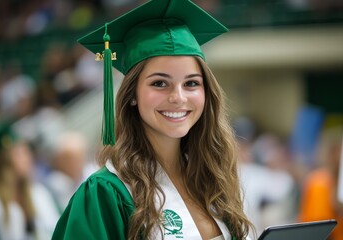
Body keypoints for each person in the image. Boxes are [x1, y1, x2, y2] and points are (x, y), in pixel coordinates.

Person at [52, 0, 254, 239]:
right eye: (159, 83)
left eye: (191, 83)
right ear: (133, 95)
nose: (178, 97)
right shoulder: (108, 193)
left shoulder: (214, 177)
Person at [0, 122, 60, 240]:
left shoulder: (37, 191)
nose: (28, 158)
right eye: (20, 153)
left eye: (27, 151)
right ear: (3, 161)